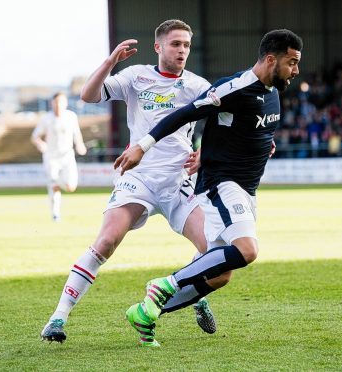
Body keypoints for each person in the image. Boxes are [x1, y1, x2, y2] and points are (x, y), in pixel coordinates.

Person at [40, 19, 227, 346]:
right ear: (159, 47)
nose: (182, 50)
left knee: (214, 252)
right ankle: (58, 317)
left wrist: (205, 153)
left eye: (186, 45)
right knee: (106, 242)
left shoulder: (198, 85)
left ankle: (193, 296)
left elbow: (225, 122)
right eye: (175, 44)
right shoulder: (136, 76)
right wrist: (111, 62)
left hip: (179, 180)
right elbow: (88, 95)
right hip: (137, 176)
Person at [115, 29, 303, 346]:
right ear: (271, 59)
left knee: (220, 273)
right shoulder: (236, 87)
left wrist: (262, 143)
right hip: (222, 184)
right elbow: (188, 113)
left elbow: (239, 128)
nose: (296, 70)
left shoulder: (272, 92)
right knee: (247, 250)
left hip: (246, 189)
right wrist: (142, 146)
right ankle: (164, 285)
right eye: (292, 62)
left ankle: (146, 312)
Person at [31, 92, 87, 221]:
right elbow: (35, 137)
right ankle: (55, 214)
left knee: (71, 186)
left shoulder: (71, 116)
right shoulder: (46, 118)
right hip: (51, 157)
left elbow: (77, 134)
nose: (58, 105)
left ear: (65, 103)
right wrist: (41, 144)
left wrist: (80, 145)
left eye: (61, 102)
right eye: (56, 102)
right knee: (53, 186)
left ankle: (55, 183)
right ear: (52, 103)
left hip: (67, 155)